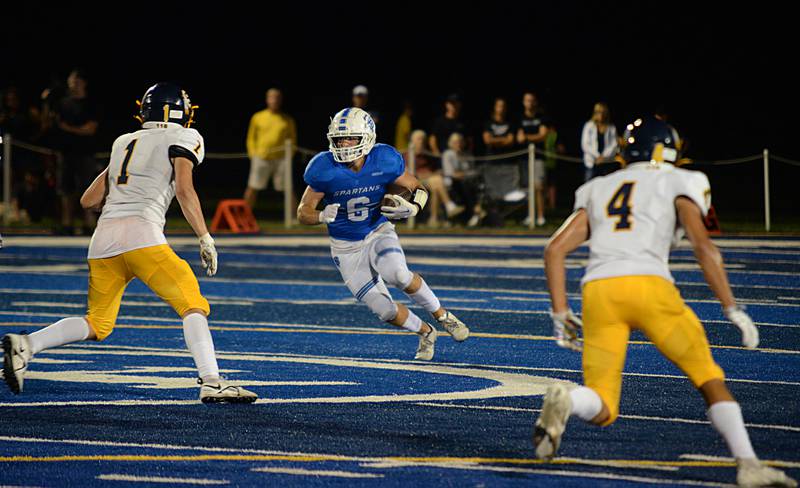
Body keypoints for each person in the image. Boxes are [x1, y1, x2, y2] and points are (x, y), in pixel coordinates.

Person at [534, 116, 796, 488]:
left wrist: (560, 312)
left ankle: (568, 400)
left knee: (603, 404)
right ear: (665, 148)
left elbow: (555, 250)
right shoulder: (678, 180)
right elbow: (704, 248)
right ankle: (749, 464)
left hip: (599, 291)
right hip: (649, 285)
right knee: (708, 377)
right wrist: (731, 307)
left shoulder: (599, 186)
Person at [2, 83, 257, 404]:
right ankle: (211, 380)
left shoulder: (125, 141)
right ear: (182, 112)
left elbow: (88, 199)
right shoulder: (186, 137)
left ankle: (28, 344)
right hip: (142, 236)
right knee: (192, 302)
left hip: (103, 241)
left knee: (98, 322)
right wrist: (204, 236)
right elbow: (184, 188)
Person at [297, 107, 470, 360]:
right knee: (384, 310)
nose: (344, 144)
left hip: (378, 230)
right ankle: (426, 332)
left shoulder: (384, 159)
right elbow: (303, 211)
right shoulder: (323, 167)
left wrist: (413, 206)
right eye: (339, 138)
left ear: (367, 137)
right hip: (345, 246)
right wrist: (321, 216)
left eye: (350, 138)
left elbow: (417, 187)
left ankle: (443, 316)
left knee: (398, 274)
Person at [48, 69, 102, 235]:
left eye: (76, 81)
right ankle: (67, 224)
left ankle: (89, 224)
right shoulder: (63, 103)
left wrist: (68, 129)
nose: (73, 84)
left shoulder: (91, 103)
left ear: (83, 83)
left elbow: (90, 129)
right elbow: (53, 123)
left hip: (85, 153)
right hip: (66, 153)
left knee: (86, 188)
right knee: (65, 190)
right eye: (71, 81)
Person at [244, 87, 297, 210]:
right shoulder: (257, 117)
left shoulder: (287, 120)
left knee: (288, 188)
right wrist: (253, 154)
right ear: (267, 99)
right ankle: (245, 215)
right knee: (253, 187)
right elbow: (251, 137)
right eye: (272, 97)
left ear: (281, 100)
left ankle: (296, 217)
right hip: (261, 158)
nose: (274, 100)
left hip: (281, 159)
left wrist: (290, 155)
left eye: (277, 98)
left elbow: (292, 139)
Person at [404, 129, 464, 227]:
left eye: (423, 140)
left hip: (430, 181)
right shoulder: (407, 155)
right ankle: (449, 206)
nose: (422, 142)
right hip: (416, 182)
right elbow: (409, 174)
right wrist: (430, 175)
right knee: (437, 180)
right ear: (412, 141)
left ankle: (433, 220)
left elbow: (433, 170)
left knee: (436, 186)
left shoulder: (427, 155)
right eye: (419, 139)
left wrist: (436, 173)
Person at [516, 91, 549, 226]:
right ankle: (529, 215)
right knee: (527, 187)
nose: (529, 103)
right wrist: (533, 137)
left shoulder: (541, 117)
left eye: (531, 100)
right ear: (524, 102)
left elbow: (543, 135)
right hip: (524, 157)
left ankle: (541, 216)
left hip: (538, 156)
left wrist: (528, 138)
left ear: (535, 102)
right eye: (526, 100)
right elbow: (519, 138)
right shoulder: (520, 118)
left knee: (539, 187)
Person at [442, 132, 485, 227]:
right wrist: (463, 174)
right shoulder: (448, 154)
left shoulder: (467, 154)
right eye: (455, 142)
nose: (458, 144)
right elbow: (450, 173)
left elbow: (473, 171)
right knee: (467, 184)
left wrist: (463, 174)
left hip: (467, 181)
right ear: (451, 143)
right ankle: (476, 210)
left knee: (475, 184)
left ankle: (475, 212)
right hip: (452, 183)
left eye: (460, 142)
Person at [580, 102, 618, 182]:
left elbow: (614, 145)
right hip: (592, 162)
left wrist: (603, 157)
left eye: (602, 112)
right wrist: (597, 156)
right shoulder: (589, 126)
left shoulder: (611, 128)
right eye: (597, 112)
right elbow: (585, 144)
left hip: (606, 163)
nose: (599, 114)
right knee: (588, 185)